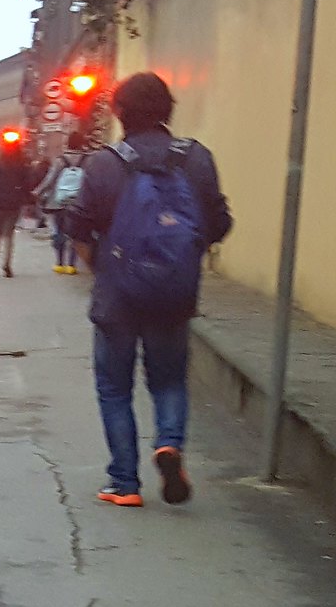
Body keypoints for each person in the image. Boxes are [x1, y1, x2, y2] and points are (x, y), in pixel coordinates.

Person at [66, 71, 233, 508]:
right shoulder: (196, 159)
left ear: (119, 113)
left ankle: (124, 484)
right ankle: (169, 444)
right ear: (168, 110)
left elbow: (78, 226)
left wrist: (101, 266)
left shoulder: (104, 162)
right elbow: (219, 223)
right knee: (169, 379)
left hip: (117, 296)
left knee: (115, 387)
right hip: (174, 294)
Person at [0, 140, 38, 277]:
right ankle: (6, 263)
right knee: (9, 234)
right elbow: (27, 185)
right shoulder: (21, 167)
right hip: (14, 204)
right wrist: (30, 201)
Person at [37, 148, 89, 274]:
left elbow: (50, 180)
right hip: (78, 204)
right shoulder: (86, 160)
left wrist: (38, 191)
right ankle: (71, 265)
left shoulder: (60, 161)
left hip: (58, 203)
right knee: (74, 235)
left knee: (59, 232)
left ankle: (59, 263)